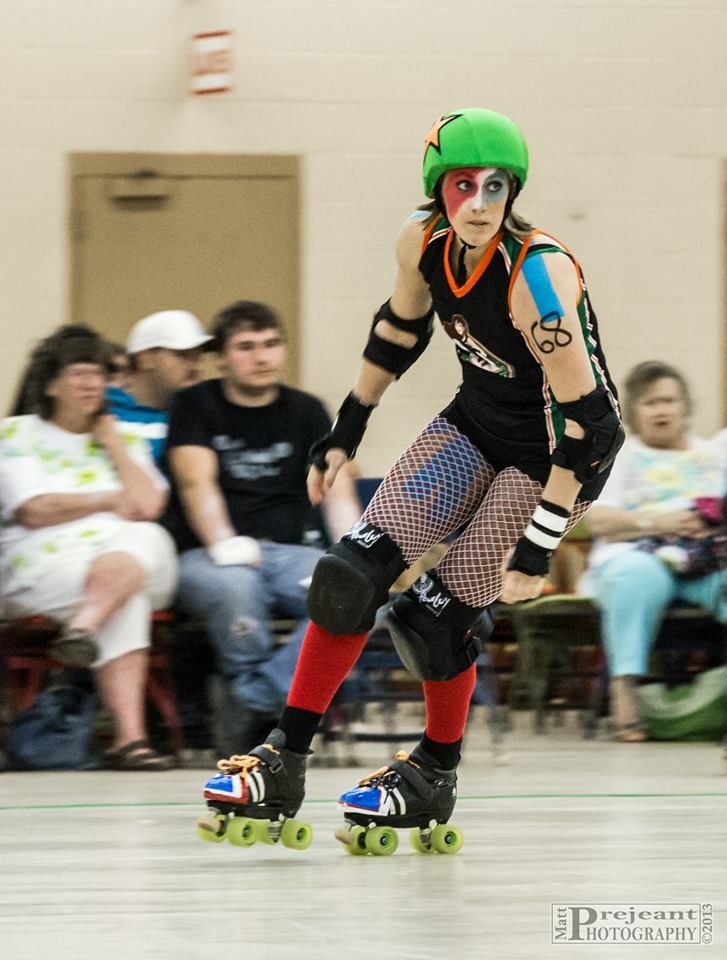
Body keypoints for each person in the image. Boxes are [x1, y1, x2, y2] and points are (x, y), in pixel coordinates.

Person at [198, 107, 624, 852]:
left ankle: (433, 772)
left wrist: (537, 545)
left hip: (553, 455)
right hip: (474, 425)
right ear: (439, 189)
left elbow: (594, 428)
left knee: (431, 619)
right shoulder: (418, 239)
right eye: (465, 186)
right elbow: (399, 330)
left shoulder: (536, 274)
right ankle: (283, 759)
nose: (482, 204)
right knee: (346, 575)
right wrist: (346, 430)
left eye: (499, 187)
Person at [165, 300, 361, 753]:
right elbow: (197, 484)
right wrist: (222, 542)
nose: (261, 357)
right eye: (246, 347)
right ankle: (265, 720)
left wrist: (355, 554)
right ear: (221, 358)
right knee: (238, 594)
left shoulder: (308, 410)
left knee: (353, 597)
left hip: (286, 552)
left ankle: (251, 700)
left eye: (271, 344)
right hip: (208, 555)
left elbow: (336, 487)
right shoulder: (194, 405)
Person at [0, 325, 177, 769]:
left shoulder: (124, 438)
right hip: (43, 570)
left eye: (97, 374)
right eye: (78, 373)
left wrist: (113, 444)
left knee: (149, 536)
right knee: (129, 592)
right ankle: (130, 741)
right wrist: (107, 500)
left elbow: (150, 504)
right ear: (50, 383)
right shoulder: (16, 435)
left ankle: (83, 627)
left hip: (118, 569)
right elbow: (35, 510)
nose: (91, 383)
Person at [582, 361, 727, 741]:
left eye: (669, 401)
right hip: (640, 554)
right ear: (633, 412)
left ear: (685, 407)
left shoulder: (714, 455)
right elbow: (600, 522)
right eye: (650, 403)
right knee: (634, 576)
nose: (661, 410)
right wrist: (658, 523)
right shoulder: (619, 457)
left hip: (705, 558)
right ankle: (625, 692)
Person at [107, 310, 212, 466]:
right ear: (145, 359)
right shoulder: (100, 411)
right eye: (182, 354)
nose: (195, 367)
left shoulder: (208, 419)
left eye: (197, 357)